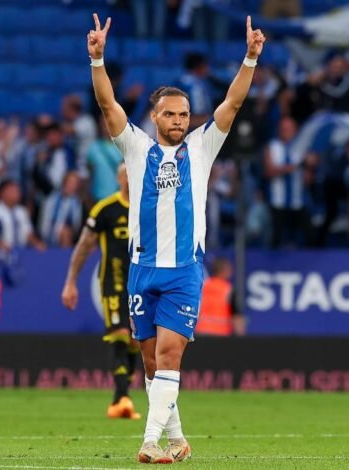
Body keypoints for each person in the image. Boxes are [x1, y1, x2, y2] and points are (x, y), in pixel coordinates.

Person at [87, 12, 265, 463]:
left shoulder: (204, 147)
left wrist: (249, 58)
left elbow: (232, 105)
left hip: (184, 270)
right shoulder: (136, 147)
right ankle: (179, 438)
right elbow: (109, 107)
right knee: (150, 363)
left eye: (185, 114)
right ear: (154, 116)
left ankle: (149, 442)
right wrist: (97, 60)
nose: (179, 120)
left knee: (169, 357)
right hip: (142, 269)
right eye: (171, 113)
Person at [62, 164, 142, 420]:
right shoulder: (106, 209)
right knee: (119, 334)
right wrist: (70, 281)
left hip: (142, 285)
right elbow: (84, 245)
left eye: (135, 171)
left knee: (134, 341)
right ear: (119, 178)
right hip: (113, 283)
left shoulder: (149, 208)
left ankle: (122, 395)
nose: (131, 176)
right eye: (126, 173)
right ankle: (121, 398)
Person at [264, 116, 311, 248]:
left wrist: (309, 167)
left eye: (289, 129)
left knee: (308, 236)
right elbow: (268, 172)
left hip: (298, 201)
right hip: (278, 201)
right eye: (283, 129)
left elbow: (309, 175)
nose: (286, 132)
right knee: (276, 238)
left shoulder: (302, 148)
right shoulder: (272, 147)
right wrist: (290, 168)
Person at [0, 180, 46, 252]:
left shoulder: (21, 212)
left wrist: (36, 243)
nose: (17, 193)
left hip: (20, 253)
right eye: (12, 191)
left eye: (18, 191)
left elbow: (28, 233)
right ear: (1, 193)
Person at [196, 258, 245, 336]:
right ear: (224, 270)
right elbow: (236, 316)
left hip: (200, 332)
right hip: (221, 334)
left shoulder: (202, 286)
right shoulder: (228, 289)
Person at [39, 171, 83, 248]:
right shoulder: (51, 199)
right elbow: (44, 220)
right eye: (71, 182)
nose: (73, 185)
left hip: (67, 236)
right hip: (48, 234)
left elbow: (76, 225)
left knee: (65, 232)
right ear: (64, 182)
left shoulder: (76, 203)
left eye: (75, 183)